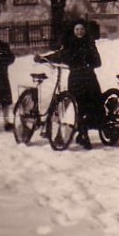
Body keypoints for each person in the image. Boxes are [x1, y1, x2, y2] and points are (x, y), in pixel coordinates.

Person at [40, 21, 103, 150]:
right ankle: (82, 133)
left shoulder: (90, 43)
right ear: (73, 31)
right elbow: (59, 55)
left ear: (85, 31)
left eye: (82, 29)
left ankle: (84, 133)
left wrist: (89, 63)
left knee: (91, 105)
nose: (80, 32)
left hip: (89, 78)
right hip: (75, 79)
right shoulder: (69, 44)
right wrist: (44, 58)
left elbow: (98, 61)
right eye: (77, 29)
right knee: (78, 106)